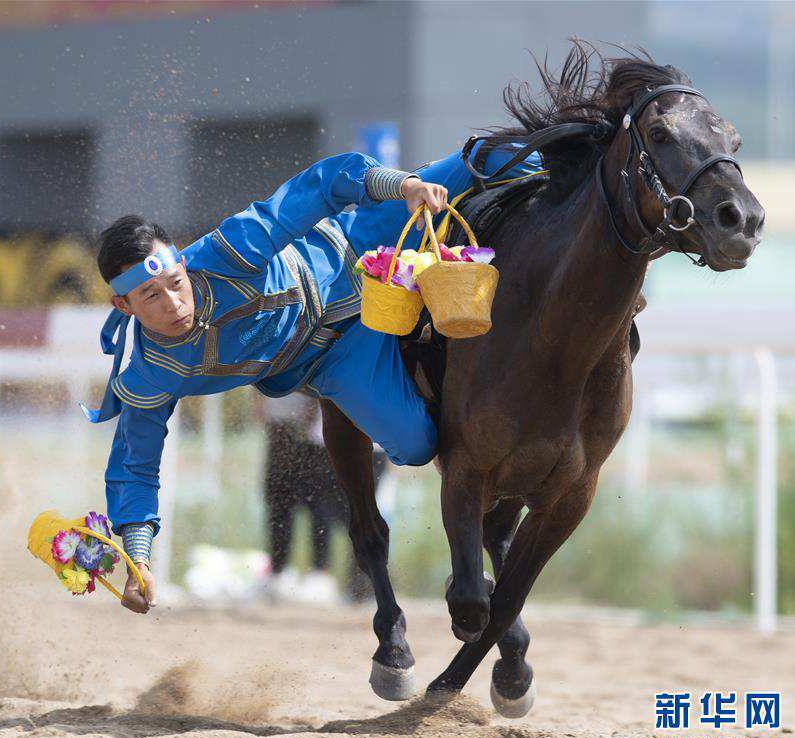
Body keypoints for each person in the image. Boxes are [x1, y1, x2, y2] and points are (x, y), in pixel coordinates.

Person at [86, 142, 541, 614]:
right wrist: (137, 559)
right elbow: (134, 467)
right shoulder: (146, 376)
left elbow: (320, 185)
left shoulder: (228, 250)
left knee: (484, 160)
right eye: (151, 297)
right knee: (416, 446)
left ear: (182, 264)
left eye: (175, 284)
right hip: (336, 359)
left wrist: (403, 185)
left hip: (359, 243)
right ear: (124, 306)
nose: (174, 304)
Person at [260, 391, 388, 603]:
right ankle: (325, 577)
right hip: (327, 439)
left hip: (371, 444)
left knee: (359, 512)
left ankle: (362, 583)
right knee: (322, 508)